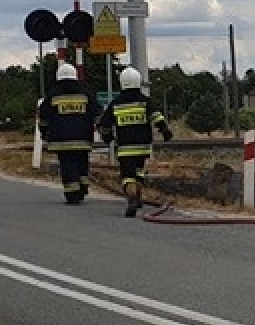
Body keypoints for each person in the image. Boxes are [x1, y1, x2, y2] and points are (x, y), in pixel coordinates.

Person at [97, 66, 173, 217]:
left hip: (125, 147)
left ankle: (132, 198)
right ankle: (137, 196)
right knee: (138, 171)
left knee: (127, 175)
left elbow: (104, 124)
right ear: (138, 82)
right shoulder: (145, 101)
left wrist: (107, 137)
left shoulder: (116, 103)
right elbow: (156, 116)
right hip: (143, 147)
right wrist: (164, 130)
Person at [38, 62, 100, 205]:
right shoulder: (85, 93)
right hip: (83, 138)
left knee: (68, 165)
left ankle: (73, 194)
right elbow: (97, 112)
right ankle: (83, 184)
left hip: (61, 140)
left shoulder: (53, 95)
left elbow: (44, 117)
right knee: (82, 162)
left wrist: (44, 133)